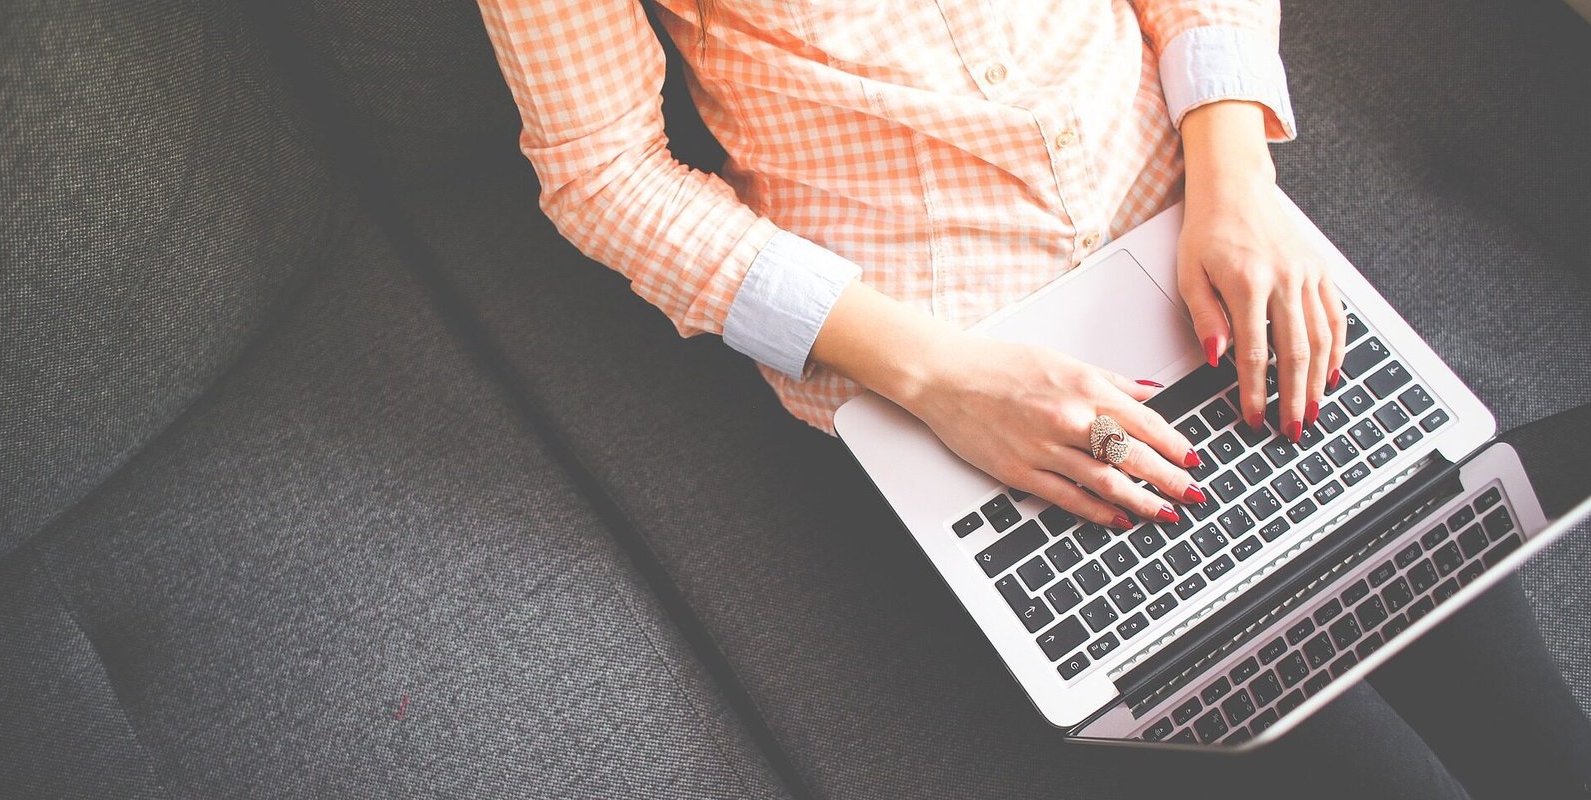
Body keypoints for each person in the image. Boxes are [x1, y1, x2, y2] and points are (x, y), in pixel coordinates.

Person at [476, 2, 1591, 796]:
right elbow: (602, 174)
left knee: (1519, 709)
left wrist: (1236, 178)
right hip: (950, 363)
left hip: (1193, 234)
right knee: (1322, 743)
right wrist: (941, 377)